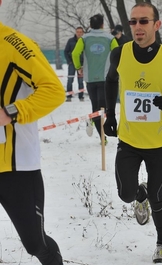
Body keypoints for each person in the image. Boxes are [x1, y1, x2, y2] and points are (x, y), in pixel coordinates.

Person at [103, 2, 162, 263]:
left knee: (159, 195)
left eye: (143, 21)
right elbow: (109, 81)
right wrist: (110, 115)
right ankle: (140, 194)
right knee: (125, 194)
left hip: (159, 143)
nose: (137, 27)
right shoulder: (120, 53)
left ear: (156, 25)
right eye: (133, 22)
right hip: (128, 140)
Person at [0, 0, 65, 262]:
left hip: (16, 166)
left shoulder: (15, 44)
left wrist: (10, 112)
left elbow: (54, 90)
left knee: (35, 243)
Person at [72, 14, 118, 140]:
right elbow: (118, 54)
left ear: (90, 25)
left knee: (96, 107)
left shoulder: (84, 39)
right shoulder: (110, 38)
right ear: (103, 25)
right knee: (102, 108)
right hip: (106, 78)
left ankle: (95, 123)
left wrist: (78, 67)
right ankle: (102, 137)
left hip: (90, 78)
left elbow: (75, 54)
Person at [64, 26, 85, 102]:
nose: (79, 33)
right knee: (70, 79)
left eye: (80, 32)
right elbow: (66, 51)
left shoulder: (84, 41)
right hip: (72, 63)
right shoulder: (71, 41)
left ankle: (81, 96)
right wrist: (69, 61)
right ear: (75, 32)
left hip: (81, 64)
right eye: (77, 32)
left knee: (80, 80)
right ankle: (69, 95)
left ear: (82, 33)